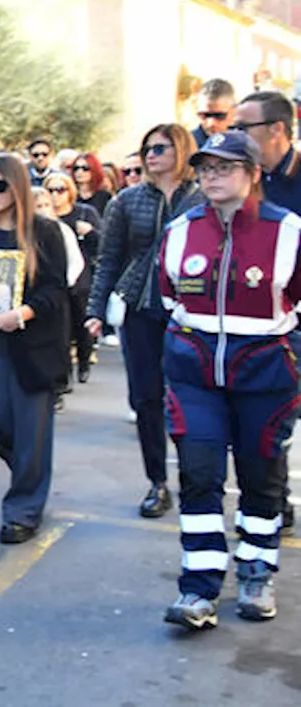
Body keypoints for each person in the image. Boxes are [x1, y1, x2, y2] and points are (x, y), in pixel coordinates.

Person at [159, 131, 301, 630]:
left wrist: (288, 353)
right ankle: (198, 589)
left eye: (225, 167)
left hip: (266, 374)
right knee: (198, 475)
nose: (213, 176)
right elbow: (169, 295)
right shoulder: (181, 228)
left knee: (262, 480)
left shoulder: (289, 231)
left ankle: (257, 573)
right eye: (206, 168)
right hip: (195, 373)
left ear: (253, 173)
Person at [87, 124, 202, 520]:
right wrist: (95, 311)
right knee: (146, 397)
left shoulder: (204, 196)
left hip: (192, 310)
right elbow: (109, 260)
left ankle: (195, 477)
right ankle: (157, 481)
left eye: (161, 148)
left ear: (182, 151)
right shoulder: (127, 201)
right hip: (140, 309)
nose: (151, 155)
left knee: (190, 397)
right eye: (147, 149)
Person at [0, 155, 69, 544]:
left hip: (32, 347)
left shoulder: (44, 232)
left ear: (18, 186)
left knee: (32, 431)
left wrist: (21, 313)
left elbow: (56, 291)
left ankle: (23, 509)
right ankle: (28, 476)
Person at [238, 89, 301, 535]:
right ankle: (273, 504)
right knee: (270, 422)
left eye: (244, 127)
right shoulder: (247, 180)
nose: (236, 135)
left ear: (277, 129)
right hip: (265, 324)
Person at [41, 174, 99, 384]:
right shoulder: (42, 223)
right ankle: (62, 376)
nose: (56, 195)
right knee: (62, 331)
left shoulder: (83, 214)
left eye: (60, 189)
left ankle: (84, 359)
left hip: (78, 278)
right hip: (54, 283)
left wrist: (90, 232)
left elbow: (98, 246)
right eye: (51, 190)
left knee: (81, 323)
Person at [191, 78, 236, 148]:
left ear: (234, 111)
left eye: (219, 116)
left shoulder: (247, 143)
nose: (211, 123)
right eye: (204, 116)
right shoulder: (187, 145)